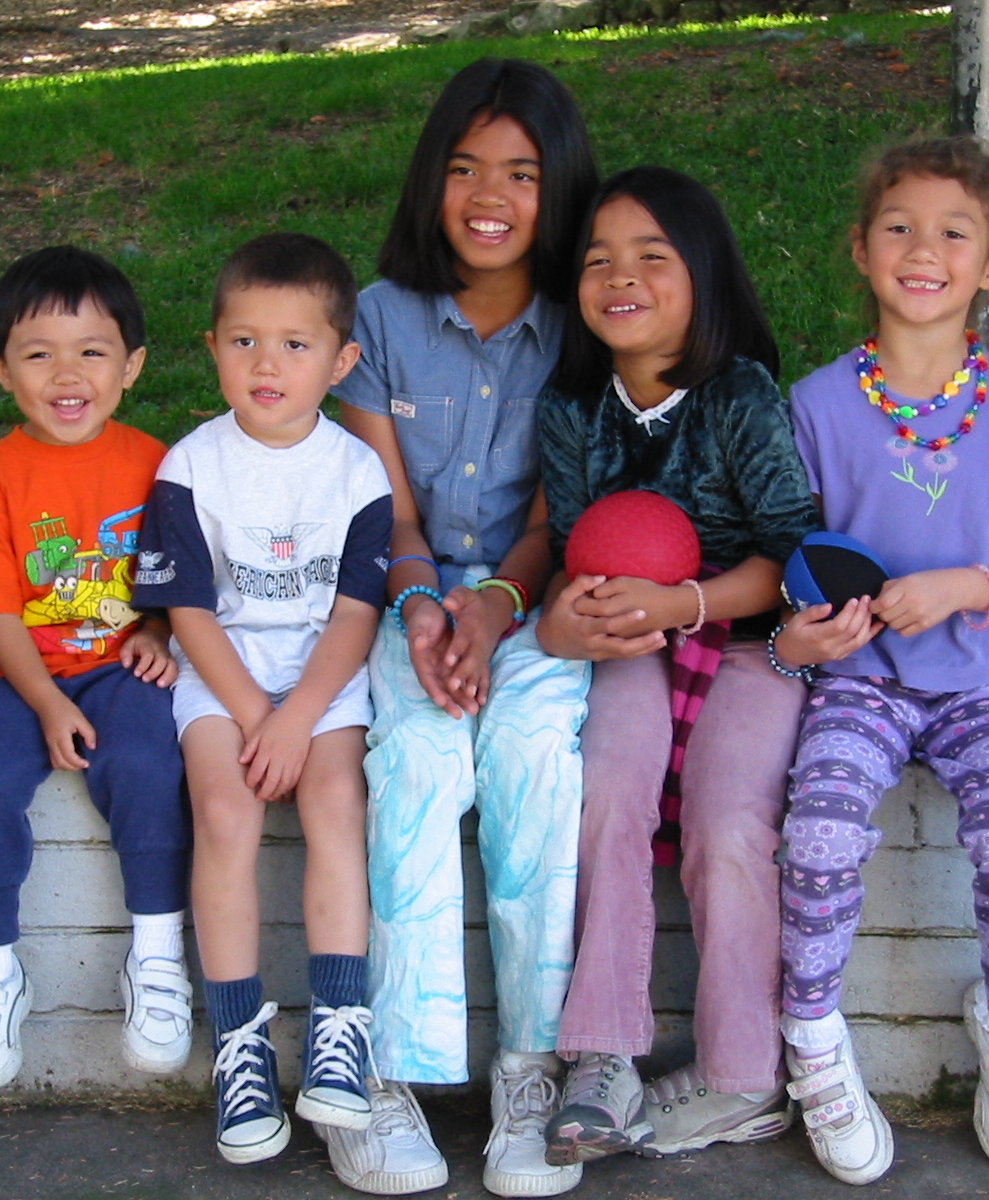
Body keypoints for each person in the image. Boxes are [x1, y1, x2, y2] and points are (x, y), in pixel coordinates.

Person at [769, 135, 989, 1183]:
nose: (923, 250)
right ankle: (813, 1037)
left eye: (954, 232)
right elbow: (791, 562)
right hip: (861, 680)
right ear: (861, 249)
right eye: (898, 227)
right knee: (817, 833)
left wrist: (958, 587)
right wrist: (802, 635)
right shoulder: (815, 406)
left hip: (982, 677)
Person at [329, 57, 599, 1198]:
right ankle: (388, 1073)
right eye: (464, 167)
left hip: (534, 598)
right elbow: (385, 507)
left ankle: (529, 1070)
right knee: (419, 762)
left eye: (523, 173)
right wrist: (427, 606)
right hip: (402, 594)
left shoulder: (583, 325)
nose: (490, 195)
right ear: (429, 180)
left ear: (561, 187)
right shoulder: (378, 319)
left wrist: (494, 609)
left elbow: (553, 516)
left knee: (533, 758)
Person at [534, 167, 819, 1172]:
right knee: (607, 791)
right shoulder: (572, 406)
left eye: (651, 256)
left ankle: (743, 1074)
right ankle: (602, 1053)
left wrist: (683, 604)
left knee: (729, 821)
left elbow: (791, 556)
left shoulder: (737, 393)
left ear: (704, 272)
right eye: (598, 259)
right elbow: (572, 551)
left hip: (746, 639)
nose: (621, 277)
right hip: (633, 644)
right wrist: (567, 621)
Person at [132, 232, 393, 1166]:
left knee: (335, 802)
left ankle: (339, 1024)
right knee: (224, 811)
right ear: (212, 347)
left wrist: (297, 718)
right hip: (225, 671)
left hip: (323, 675)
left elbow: (357, 613)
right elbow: (189, 611)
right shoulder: (190, 465)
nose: (267, 365)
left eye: (294, 344)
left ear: (341, 361)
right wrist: (256, 718)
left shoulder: (357, 470)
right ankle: (238, 1042)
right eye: (244, 342)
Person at [0, 246, 190, 1092]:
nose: (67, 374)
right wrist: (46, 703)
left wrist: (155, 629)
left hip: (121, 666)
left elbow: (175, 579)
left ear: (132, 365)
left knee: (150, 768)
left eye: (92, 350)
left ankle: (157, 956)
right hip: (19, 674)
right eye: (38, 354)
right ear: (1, 370)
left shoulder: (157, 463)